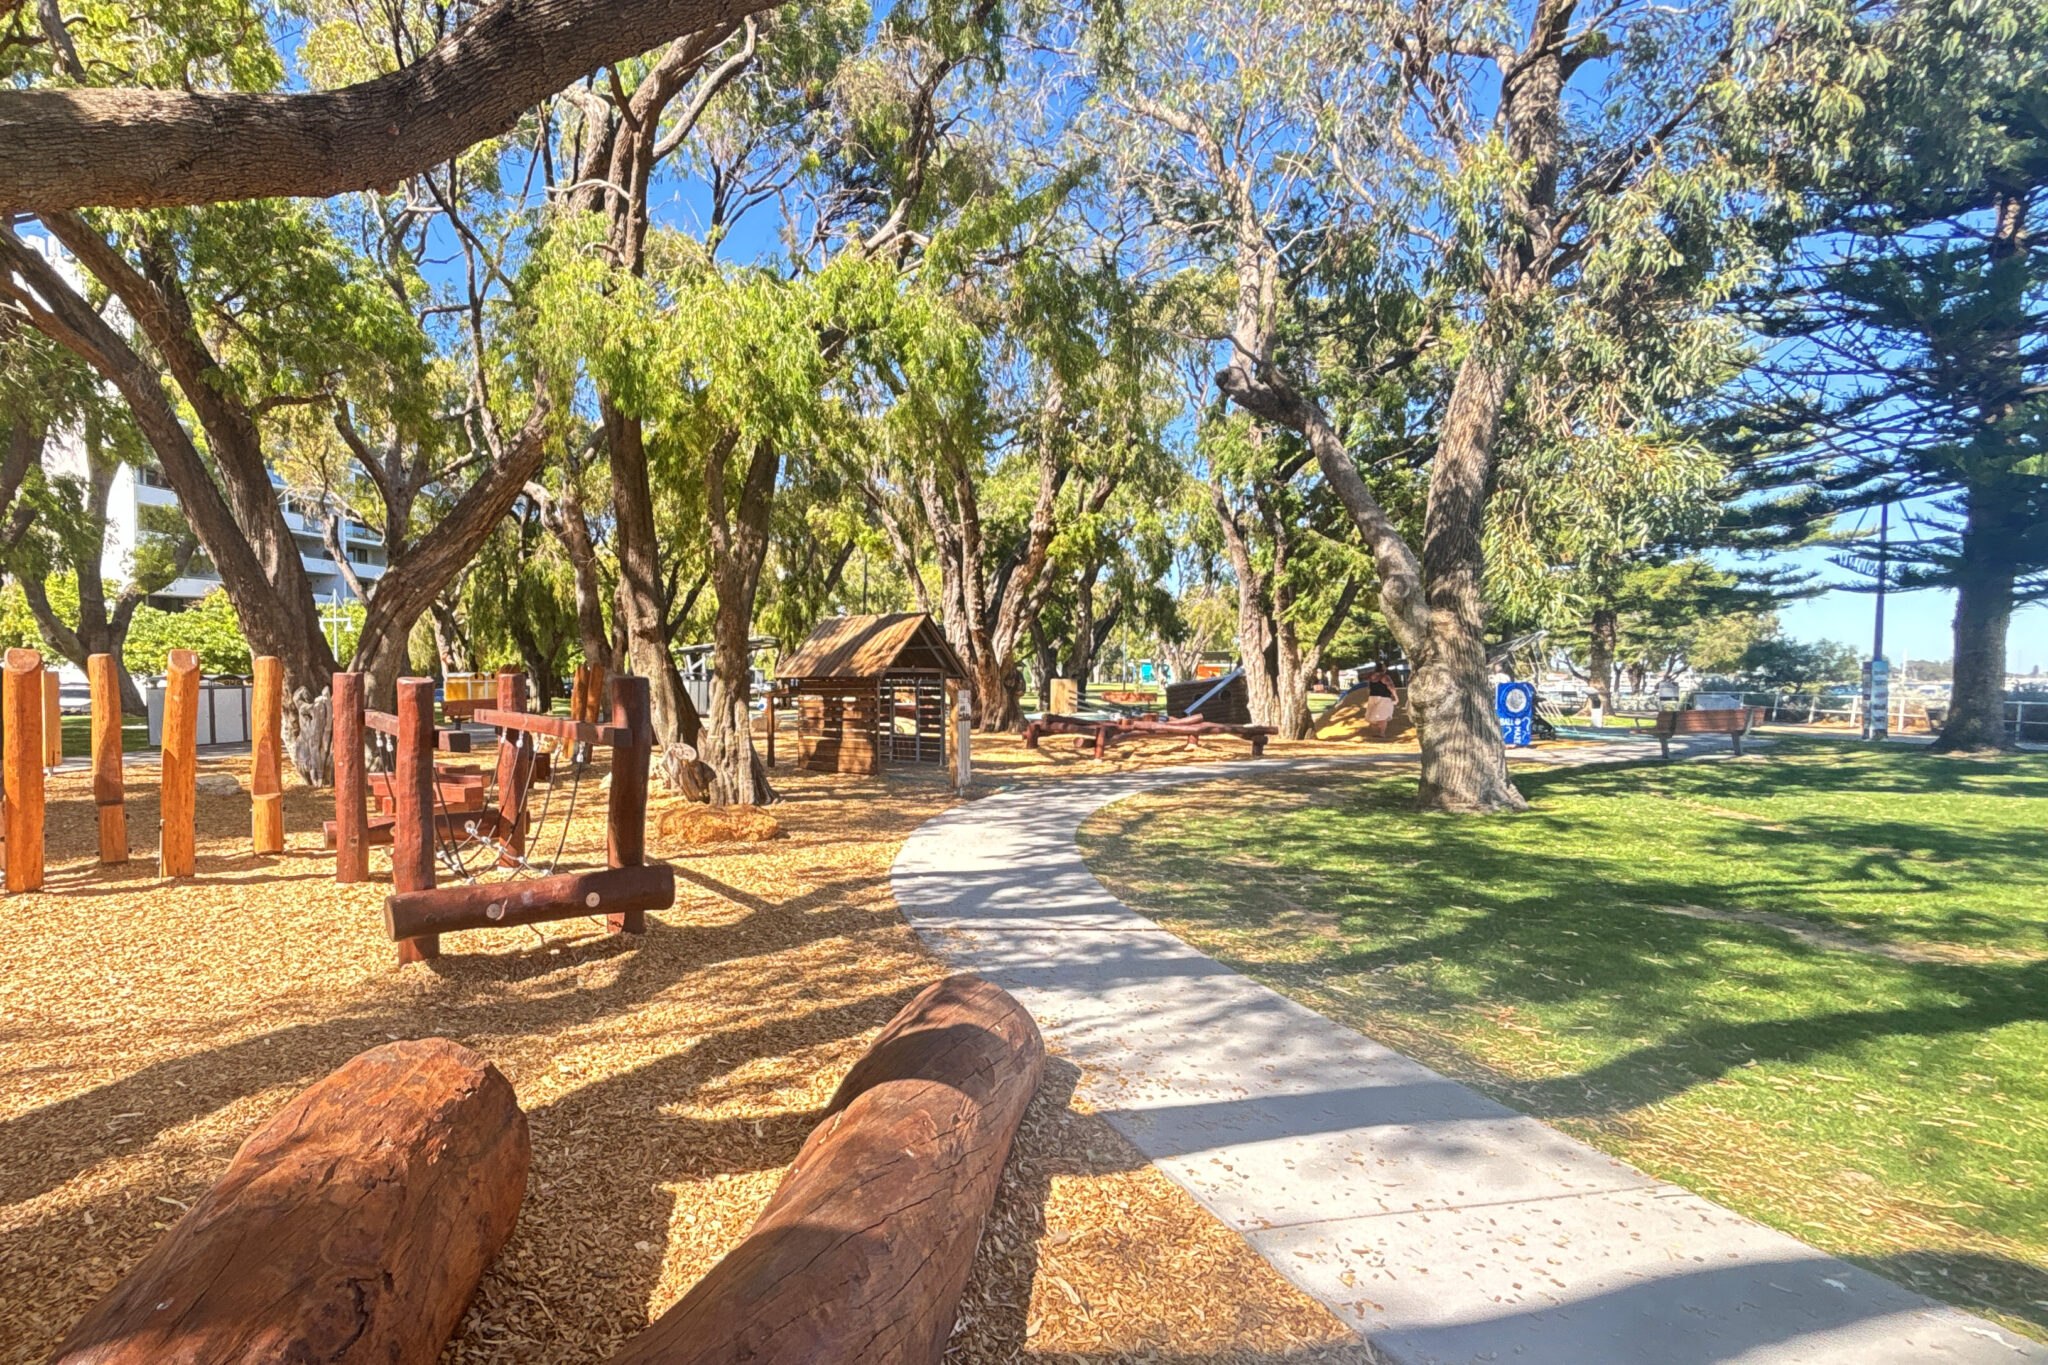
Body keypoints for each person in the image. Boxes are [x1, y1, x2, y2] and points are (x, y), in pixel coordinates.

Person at [1363, 663, 1399, 740]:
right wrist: (1396, 697)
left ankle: (1375, 732)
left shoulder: (1371, 677)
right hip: (1384, 698)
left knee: (1372, 715)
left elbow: (1369, 688)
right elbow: (1391, 687)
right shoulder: (1385, 677)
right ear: (1383, 669)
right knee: (1383, 716)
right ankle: (1382, 733)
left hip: (1372, 697)